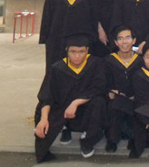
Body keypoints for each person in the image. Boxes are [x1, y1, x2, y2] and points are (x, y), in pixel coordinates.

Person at [34, 34, 107, 163]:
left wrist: (76, 103)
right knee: (43, 113)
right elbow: (47, 96)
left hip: (86, 111)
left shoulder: (95, 64)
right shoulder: (57, 68)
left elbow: (98, 88)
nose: (77, 56)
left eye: (81, 51)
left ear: (87, 50)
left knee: (99, 102)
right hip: (64, 111)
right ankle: (65, 128)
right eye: (73, 51)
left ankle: (88, 140)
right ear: (66, 50)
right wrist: (43, 119)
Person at [103, 26, 141, 153]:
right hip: (117, 100)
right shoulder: (108, 61)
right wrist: (110, 92)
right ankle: (112, 140)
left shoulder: (140, 61)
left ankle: (133, 137)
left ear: (134, 40)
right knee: (114, 106)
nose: (124, 42)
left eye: (128, 38)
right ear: (115, 42)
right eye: (120, 38)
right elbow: (104, 84)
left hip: (134, 100)